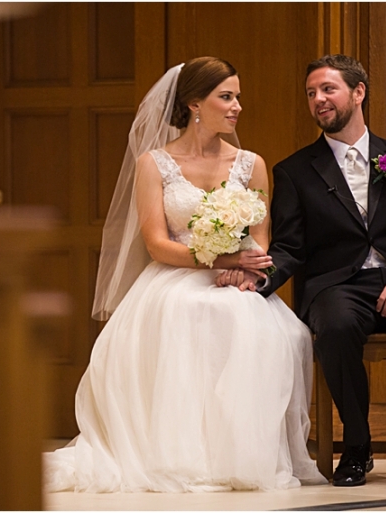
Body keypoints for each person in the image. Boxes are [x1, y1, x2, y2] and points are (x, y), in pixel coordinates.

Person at [42, 56, 327, 493]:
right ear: (195, 103)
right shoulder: (154, 164)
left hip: (238, 276)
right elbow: (157, 242)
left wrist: (244, 269)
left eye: (238, 97)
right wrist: (219, 261)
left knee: (277, 331)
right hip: (175, 276)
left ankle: (242, 454)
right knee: (190, 313)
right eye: (226, 97)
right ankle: (181, 455)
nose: (237, 107)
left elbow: (261, 237)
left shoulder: (251, 163)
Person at [219, 54, 386, 487]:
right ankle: (356, 445)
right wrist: (260, 279)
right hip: (336, 287)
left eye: (328, 89)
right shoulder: (296, 171)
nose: (318, 99)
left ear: (358, 93)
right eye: (311, 93)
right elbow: (289, 245)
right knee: (336, 330)